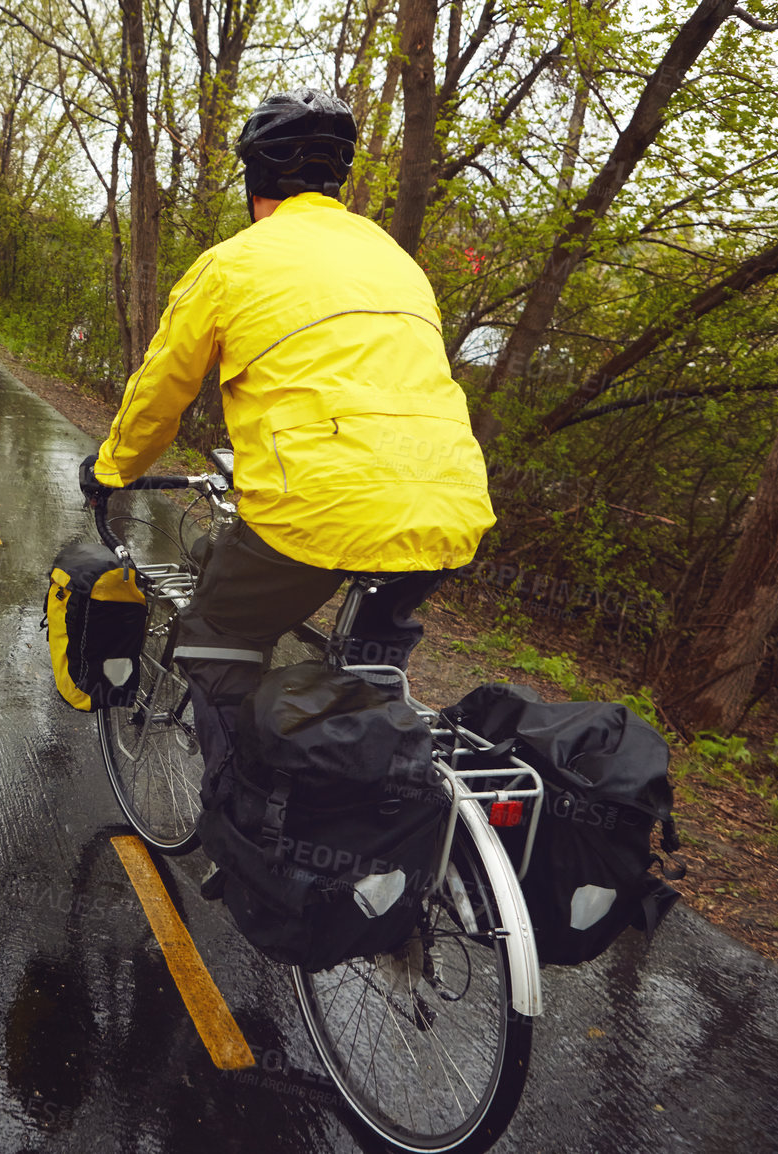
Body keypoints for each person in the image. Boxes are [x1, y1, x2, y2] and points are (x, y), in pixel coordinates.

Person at [78, 88, 494, 783]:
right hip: (451, 508)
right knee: (368, 666)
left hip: (316, 505)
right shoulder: (395, 260)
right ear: (338, 181)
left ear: (253, 183)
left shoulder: (232, 263)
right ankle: (374, 787)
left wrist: (113, 469)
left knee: (219, 635)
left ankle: (244, 816)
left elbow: (159, 396)